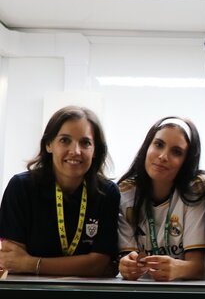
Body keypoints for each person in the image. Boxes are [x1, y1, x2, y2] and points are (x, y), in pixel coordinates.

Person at [0, 106, 120, 277]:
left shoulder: (107, 193)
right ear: (49, 144)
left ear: (95, 150)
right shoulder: (21, 187)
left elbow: (99, 264)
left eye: (85, 143)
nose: (75, 151)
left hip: (86, 292)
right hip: (29, 290)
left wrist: (32, 263)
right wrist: (84, 264)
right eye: (65, 140)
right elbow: (12, 260)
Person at [118, 117, 205, 281]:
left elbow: (198, 267)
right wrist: (126, 266)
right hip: (141, 291)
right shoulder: (127, 191)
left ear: (187, 161)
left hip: (187, 292)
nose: (163, 156)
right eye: (159, 144)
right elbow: (129, 259)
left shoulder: (196, 189)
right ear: (147, 146)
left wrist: (178, 268)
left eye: (176, 152)